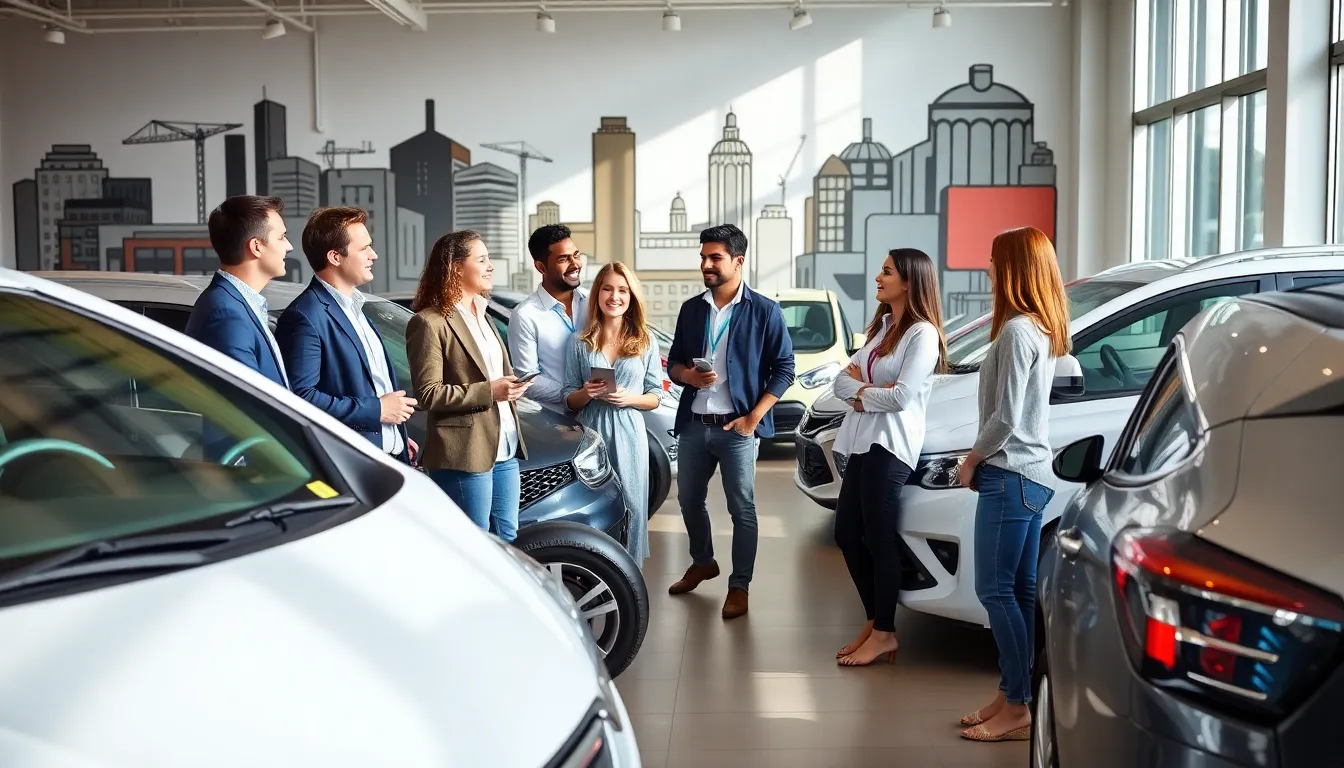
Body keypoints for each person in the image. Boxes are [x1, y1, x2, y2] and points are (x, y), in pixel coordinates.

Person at [956, 226, 1069, 743]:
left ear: (1015, 270)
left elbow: (1004, 417)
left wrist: (971, 459)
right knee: (1019, 592)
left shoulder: (1018, 332)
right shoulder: (1037, 329)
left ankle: (1019, 706)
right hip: (1033, 476)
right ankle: (1011, 694)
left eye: (995, 261)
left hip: (1010, 473)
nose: (988, 270)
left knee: (994, 590)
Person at [664, 224, 795, 620]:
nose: (705, 264)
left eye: (714, 257)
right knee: (688, 500)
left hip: (737, 428)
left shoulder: (764, 310)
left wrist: (753, 417)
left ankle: (740, 586)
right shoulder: (692, 309)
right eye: (703, 257)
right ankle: (704, 561)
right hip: (694, 423)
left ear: (738, 261)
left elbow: (785, 368)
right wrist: (688, 376)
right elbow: (674, 362)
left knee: (742, 509)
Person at [830, 248, 948, 667]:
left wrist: (861, 393)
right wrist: (861, 392)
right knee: (847, 533)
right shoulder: (882, 329)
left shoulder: (922, 334)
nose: (878, 278)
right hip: (864, 442)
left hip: (892, 446)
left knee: (880, 539)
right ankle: (874, 620)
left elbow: (902, 398)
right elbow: (837, 382)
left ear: (910, 281)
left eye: (886, 272)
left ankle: (885, 633)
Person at [406, 230, 531, 540]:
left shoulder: (485, 316)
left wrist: (511, 386)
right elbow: (428, 393)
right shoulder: (429, 322)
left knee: (508, 538)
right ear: (457, 268)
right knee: (473, 542)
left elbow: (494, 374)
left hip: (505, 445)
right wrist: (491, 390)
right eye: (482, 260)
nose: (490, 266)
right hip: (463, 453)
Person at [274, 206, 418, 465]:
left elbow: (372, 382)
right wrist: (378, 411)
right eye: (364, 249)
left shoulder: (357, 308)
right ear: (335, 257)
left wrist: (395, 436)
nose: (373, 255)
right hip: (351, 462)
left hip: (388, 453)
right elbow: (300, 398)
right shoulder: (305, 316)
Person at [563, 263, 664, 564]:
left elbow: (655, 396)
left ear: (631, 297)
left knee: (632, 504)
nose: (614, 296)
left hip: (630, 432)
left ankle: (630, 577)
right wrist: (586, 393)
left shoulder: (645, 340)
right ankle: (597, 572)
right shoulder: (580, 342)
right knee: (595, 507)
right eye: (607, 288)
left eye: (622, 290)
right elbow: (568, 398)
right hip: (591, 432)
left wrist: (630, 398)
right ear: (597, 294)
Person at [185, 195, 293, 388]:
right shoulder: (226, 313)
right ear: (256, 247)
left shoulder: (233, 303)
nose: (289, 247)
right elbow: (248, 404)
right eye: (282, 237)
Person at [509, 224, 588, 414]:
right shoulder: (525, 315)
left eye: (576, 255)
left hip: (600, 415)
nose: (575, 264)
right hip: (558, 425)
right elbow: (528, 378)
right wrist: (576, 395)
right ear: (541, 267)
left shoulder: (593, 301)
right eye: (563, 259)